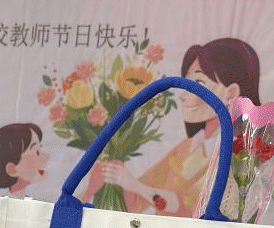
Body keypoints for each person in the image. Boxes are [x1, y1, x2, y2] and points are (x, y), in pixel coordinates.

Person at [98, 37, 261, 216]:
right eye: (187, 83)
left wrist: (134, 185)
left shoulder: (238, 153)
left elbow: (192, 208)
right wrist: (114, 178)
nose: (183, 95)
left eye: (198, 84)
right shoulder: (189, 145)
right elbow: (144, 191)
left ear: (231, 93)